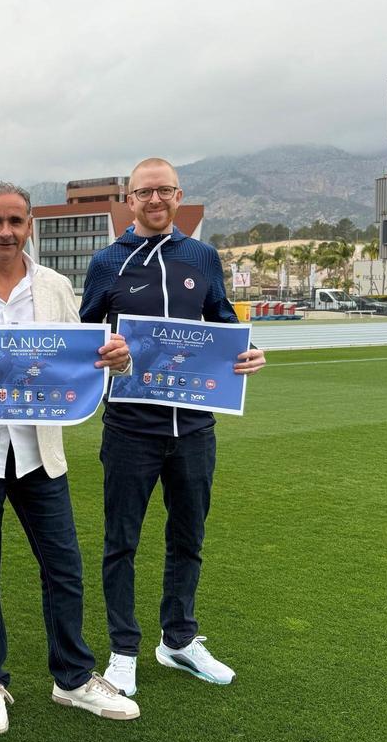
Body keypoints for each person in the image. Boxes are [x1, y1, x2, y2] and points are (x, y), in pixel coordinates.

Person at [0, 182, 140, 734]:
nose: (5, 232)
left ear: (30, 225)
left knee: (63, 566)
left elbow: (82, 353)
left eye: (15, 221)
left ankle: (73, 679)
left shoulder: (56, 286)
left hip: (39, 451)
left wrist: (117, 356)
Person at [79, 157, 266, 700]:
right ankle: (123, 651)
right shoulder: (105, 262)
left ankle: (178, 639)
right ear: (129, 199)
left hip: (195, 427)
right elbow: (86, 334)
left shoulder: (202, 257)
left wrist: (250, 350)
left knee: (189, 537)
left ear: (177, 195)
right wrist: (105, 353)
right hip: (131, 428)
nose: (155, 200)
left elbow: (224, 323)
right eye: (144, 192)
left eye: (164, 191)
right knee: (122, 541)